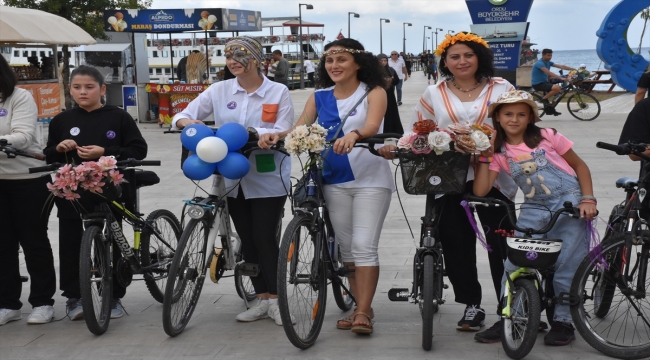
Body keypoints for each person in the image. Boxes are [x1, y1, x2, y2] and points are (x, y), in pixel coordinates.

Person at [379, 31, 518, 337]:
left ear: (480, 57)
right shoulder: (435, 92)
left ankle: (511, 306)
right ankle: (471, 303)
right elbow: (420, 130)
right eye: (454, 56)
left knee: (502, 243)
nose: (462, 61)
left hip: (495, 174)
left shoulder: (502, 87)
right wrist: (398, 145)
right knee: (456, 242)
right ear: (445, 61)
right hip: (448, 176)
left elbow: (520, 121)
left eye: (468, 54)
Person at [259, 38, 394, 335]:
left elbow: (373, 126)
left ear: (358, 63)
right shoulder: (319, 96)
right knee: (346, 246)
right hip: (333, 178)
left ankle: (362, 312)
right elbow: (300, 128)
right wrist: (276, 135)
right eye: (330, 61)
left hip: (370, 178)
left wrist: (355, 135)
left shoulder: (374, 92)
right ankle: (363, 305)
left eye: (342, 60)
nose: (334, 66)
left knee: (363, 245)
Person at [172, 36, 294, 326]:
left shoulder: (277, 91)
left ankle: (277, 301)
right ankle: (260, 298)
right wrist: (188, 123)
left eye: (240, 56)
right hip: (230, 177)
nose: (233, 62)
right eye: (228, 57)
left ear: (256, 59)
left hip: (267, 177)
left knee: (265, 238)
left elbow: (285, 127)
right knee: (248, 240)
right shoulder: (219, 89)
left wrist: (265, 132)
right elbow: (182, 114)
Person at [474, 89, 597, 345]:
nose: (514, 119)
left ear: (530, 117)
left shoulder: (547, 136)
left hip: (571, 204)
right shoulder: (499, 151)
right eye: (507, 114)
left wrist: (587, 199)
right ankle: (511, 316)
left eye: (521, 114)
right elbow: (481, 190)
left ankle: (564, 322)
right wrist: (484, 153)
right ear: (497, 118)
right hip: (534, 207)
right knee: (514, 265)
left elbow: (580, 166)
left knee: (566, 267)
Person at [44, 65, 148, 320]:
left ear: (102, 89)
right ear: (69, 90)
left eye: (89, 87)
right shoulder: (61, 120)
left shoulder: (119, 117)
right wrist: (59, 148)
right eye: (77, 87)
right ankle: (74, 297)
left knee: (111, 241)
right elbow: (49, 155)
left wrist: (105, 152)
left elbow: (138, 150)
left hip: (109, 190)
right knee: (70, 243)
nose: (83, 92)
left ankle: (112, 296)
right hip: (72, 192)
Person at [0, 55, 57, 326]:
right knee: (2, 244)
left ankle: (43, 302)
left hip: (28, 178)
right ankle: (8, 303)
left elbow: (22, 136)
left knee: (33, 241)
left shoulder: (18, 97)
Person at [531, 49, 574, 116]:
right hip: (538, 84)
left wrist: (573, 69)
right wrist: (561, 78)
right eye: (548, 55)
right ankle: (542, 99)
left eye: (551, 55)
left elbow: (561, 66)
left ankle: (551, 109)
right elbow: (548, 73)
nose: (550, 57)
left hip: (545, 82)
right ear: (543, 55)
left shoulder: (548, 62)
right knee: (557, 88)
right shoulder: (539, 63)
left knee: (558, 93)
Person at [377, 53, 403, 134]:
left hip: (390, 94)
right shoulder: (375, 71)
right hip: (378, 94)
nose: (383, 62)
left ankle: (393, 129)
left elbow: (397, 80)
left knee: (391, 112)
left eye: (385, 61)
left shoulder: (391, 70)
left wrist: (391, 80)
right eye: (381, 61)